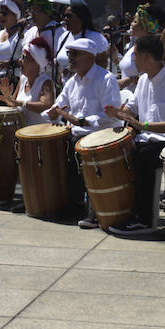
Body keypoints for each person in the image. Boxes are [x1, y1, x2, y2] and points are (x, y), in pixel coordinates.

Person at [104, 33, 165, 233]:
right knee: (119, 151)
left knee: (143, 157)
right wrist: (119, 112)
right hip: (149, 138)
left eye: (135, 55)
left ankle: (144, 219)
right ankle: (122, 211)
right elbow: (132, 108)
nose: (133, 59)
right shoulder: (145, 80)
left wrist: (142, 125)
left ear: (146, 57)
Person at [47, 36, 122, 228]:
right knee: (59, 147)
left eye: (75, 54)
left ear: (90, 57)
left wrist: (83, 121)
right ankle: (74, 203)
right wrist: (54, 111)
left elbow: (111, 113)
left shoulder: (106, 79)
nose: (70, 58)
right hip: (78, 134)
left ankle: (95, 208)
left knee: (76, 146)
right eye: (69, 54)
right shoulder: (73, 81)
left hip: (100, 136)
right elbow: (60, 104)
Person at [0, 36, 55, 126]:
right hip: (23, 133)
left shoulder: (46, 82)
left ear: (37, 63)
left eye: (24, 58)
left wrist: (19, 103)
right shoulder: (23, 79)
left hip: (40, 134)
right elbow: (13, 105)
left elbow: (46, 106)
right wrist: (7, 95)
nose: (20, 61)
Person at [0, 0, 29, 89]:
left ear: (15, 15)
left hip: (15, 82)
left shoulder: (23, 34)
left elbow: (27, 60)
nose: (1, 16)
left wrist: (9, 63)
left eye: (5, 14)